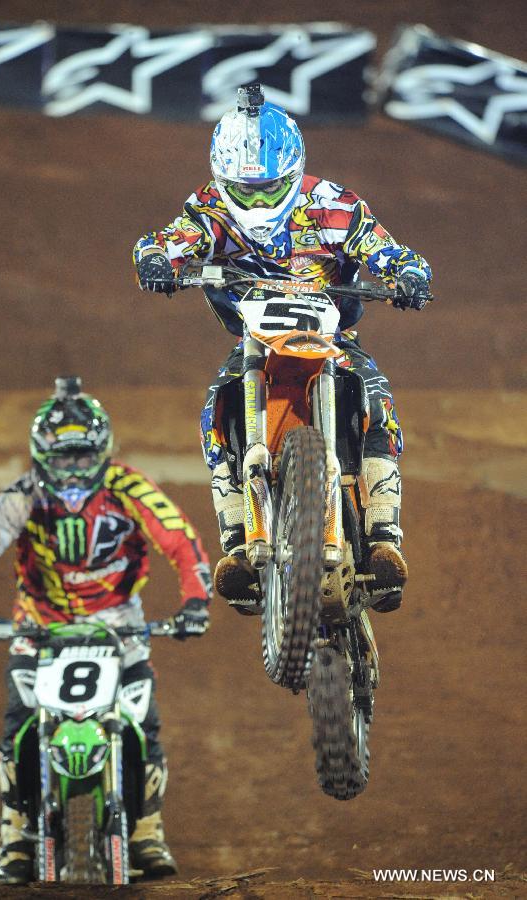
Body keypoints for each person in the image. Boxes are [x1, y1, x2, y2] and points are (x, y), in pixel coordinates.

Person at [133, 83, 432, 615]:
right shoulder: (207, 209)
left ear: (294, 172)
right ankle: (237, 545)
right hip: (255, 339)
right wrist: (155, 260)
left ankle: (384, 534)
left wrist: (407, 273)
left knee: (378, 403)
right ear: (223, 180)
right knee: (213, 417)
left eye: (271, 188)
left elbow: (390, 250)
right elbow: (165, 240)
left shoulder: (335, 206)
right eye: (244, 191)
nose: (258, 201)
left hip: (331, 334)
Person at [0, 376, 212, 884]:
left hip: (119, 624)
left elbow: (180, 540)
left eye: (83, 458)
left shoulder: (130, 488)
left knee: (142, 721)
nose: (72, 471)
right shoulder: (22, 496)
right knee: (18, 722)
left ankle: (147, 829)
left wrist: (196, 600)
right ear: (41, 456)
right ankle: (15, 830)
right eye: (62, 460)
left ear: (103, 452)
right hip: (41, 625)